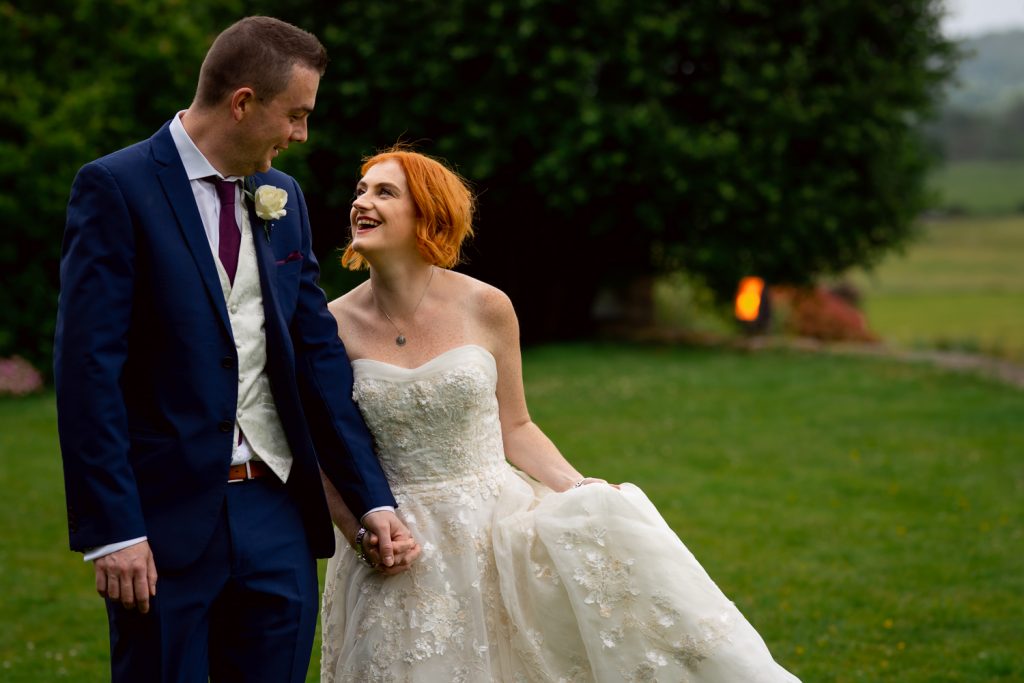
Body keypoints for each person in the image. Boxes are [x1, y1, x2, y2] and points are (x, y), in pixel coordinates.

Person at [318, 147, 801, 682]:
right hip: (399, 545)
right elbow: (326, 444)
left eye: (385, 192)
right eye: (361, 191)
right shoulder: (332, 325)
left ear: (428, 214)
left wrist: (578, 488)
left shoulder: (486, 307)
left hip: (495, 536)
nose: (362, 202)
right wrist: (361, 531)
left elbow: (516, 426)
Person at [54, 17, 418, 683]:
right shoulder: (117, 188)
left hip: (277, 513)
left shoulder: (285, 199)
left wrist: (372, 498)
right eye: (297, 115)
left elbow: (316, 357)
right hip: (163, 523)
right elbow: (88, 371)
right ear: (243, 102)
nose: (301, 135)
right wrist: (114, 530)